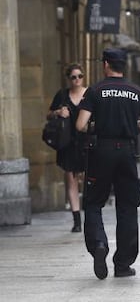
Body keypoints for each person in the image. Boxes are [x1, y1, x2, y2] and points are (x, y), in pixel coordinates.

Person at [76, 48, 140, 280]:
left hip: (101, 151)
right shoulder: (137, 91)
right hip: (127, 152)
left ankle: (99, 244)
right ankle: (123, 264)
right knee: (128, 207)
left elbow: (80, 125)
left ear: (106, 64)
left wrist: (96, 126)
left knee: (94, 203)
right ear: (124, 67)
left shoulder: (95, 90)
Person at [47, 63, 87, 233]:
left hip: (87, 143)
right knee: (71, 180)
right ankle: (77, 220)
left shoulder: (90, 94)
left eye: (80, 76)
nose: (77, 80)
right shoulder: (62, 95)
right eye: (73, 77)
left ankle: (90, 214)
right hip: (67, 143)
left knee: (87, 179)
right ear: (68, 79)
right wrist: (58, 113)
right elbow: (48, 114)